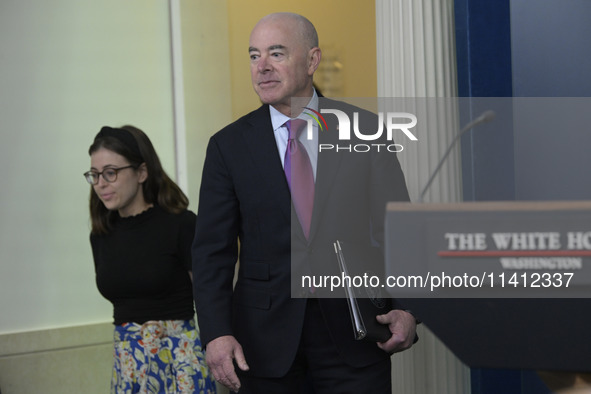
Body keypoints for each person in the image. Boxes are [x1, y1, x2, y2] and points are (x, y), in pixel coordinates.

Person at [192, 12, 417, 394]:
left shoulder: (364, 131)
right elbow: (212, 251)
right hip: (262, 346)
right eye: (253, 56)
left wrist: (410, 309)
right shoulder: (227, 147)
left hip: (356, 333)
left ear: (312, 60)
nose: (261, 67)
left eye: (276, 53)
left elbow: (399, 230)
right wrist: (216, 333)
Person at [85, 125, 216, 394]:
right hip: (128, 364)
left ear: (141, 172)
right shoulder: (101, 235)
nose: (101, 183)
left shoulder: (181, 224)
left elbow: (211, 298)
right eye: (95, 175)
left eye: (110, 172)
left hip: (179, 361)